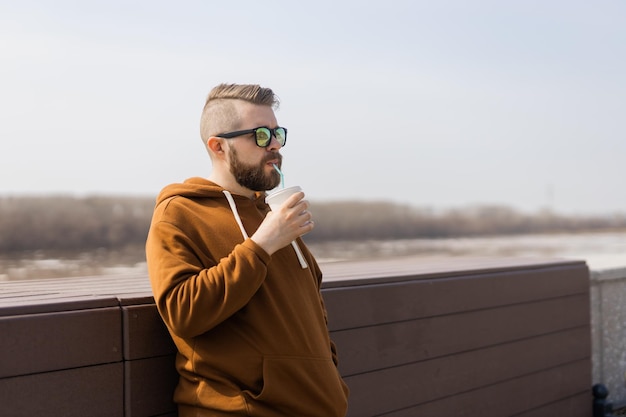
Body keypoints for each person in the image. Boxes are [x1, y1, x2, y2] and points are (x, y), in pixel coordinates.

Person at [145, 83, 350, 416]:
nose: (274, 146)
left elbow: (314, 313)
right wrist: (261, 245)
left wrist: (331, 382)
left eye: (276, 133)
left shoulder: (271, 215)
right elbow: (182, 311)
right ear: (218, 147)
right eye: (260, 136)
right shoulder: (180, 213)